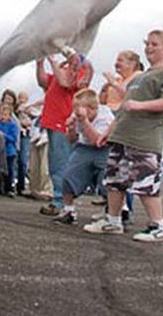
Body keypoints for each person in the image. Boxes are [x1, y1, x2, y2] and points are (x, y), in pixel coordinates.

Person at [84, 29, 163, 242]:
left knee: (145, 183)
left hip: (144, 139)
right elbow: (124, 109)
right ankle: (113, 221)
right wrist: (108, 132)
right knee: (114, 181)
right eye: (147, 43)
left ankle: (160, 226)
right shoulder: (142, 77)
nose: (149, 47)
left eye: (154, 44)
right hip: (122, 137)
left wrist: (139, 105)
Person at [36, 55, 92, 215]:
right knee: (55, 163)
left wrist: (52, 61)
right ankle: (60, 198)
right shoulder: (62, 71)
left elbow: (64, 82)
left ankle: (60, 201)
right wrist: (39, 62)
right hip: (53, 123)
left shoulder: (80, 72)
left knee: (60, 164)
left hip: (63, 124)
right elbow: (43, 81)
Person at [53, 89, 114, 225]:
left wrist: (84, 121)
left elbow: (97, 141)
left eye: (78, 108)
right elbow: (71, 140)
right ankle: (69, 211)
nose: (75, 111)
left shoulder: (105, 117)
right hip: (83, 148)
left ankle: (115, 213)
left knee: (108, 182)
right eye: (74, 107)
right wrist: (71, 129)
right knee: (69, 176)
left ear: (92, 108)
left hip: (104, 148)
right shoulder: (76, 115)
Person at [0, 99, 21, 196]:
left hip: (9, 151)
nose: (3, 117)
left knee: (9, 170)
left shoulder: (13, 125)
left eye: (5, 115)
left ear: (10, 115)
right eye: (1, 114)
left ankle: (9, 188)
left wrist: (3, 135)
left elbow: (13, 138)